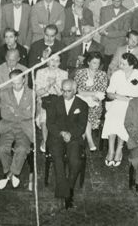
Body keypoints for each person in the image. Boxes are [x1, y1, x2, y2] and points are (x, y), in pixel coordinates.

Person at [43, 79, 89, 208]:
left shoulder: (82, 104)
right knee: (58, 159)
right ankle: (67, 194)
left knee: (75, 161)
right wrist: (61, 133)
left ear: (75, 91)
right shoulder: (54, 102)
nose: (65, 93)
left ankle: (68, 187)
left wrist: (71, 134)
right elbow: (50, 123)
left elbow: (82, 125)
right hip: (57, 136)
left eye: (68, 91)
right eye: (63, 90)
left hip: (74, 138)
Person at [102, 53, 138, 166]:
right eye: (120, 63)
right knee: (112, 117)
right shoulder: (116, 74)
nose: (120, 66)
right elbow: (110, 93)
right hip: (117, 102)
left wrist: (129, 100)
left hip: (133, 105)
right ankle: (111, 150)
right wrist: (117, 96)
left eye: (124, 64)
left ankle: (119, 150)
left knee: (123, 119)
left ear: (131, 65)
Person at [72, 51, 108, 152]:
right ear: (88, 62)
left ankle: (81, 142)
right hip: (81, 100)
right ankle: (90, 140)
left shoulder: (102, 74)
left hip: (95, 103)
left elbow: (101, 92)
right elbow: (78, 91)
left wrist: (90, 94)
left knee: (86, 113)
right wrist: (93, 93)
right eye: (94, 63)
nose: (96, 66)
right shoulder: (80, 72)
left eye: (98, 63)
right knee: (83, 109)